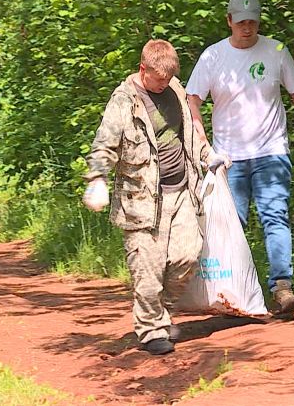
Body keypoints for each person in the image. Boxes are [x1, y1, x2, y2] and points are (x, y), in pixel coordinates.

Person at [82, 39, 230, 355]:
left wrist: (207, 155)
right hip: (141, 201)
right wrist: (97, 179)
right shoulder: (124, 101)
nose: (163, 84)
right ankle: (151, 331)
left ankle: (158, 313)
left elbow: (189, 132)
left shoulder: (174, 88)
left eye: (168, 78)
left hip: (181, 193)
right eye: (158, 79)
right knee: (147, 272)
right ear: (143, 69)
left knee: (188, 255)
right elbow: (103, 145)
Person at [185, 0, 294, 317]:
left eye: (252, 22)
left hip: (272, 151)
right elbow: (192, 100)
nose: (247, 28)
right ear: (229, 21)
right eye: (241, 22)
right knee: (231, 225)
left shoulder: (276, 51)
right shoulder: (213, 57)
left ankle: (282, 289)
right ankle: (231, 294)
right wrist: (202, 142)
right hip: (228, 157)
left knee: (275, 217)